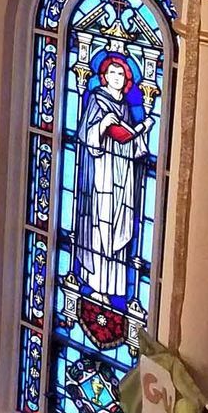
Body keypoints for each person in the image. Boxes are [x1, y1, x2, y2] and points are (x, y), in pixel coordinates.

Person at [76, 53, 151, 302]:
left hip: (122, 172)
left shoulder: (126, 107)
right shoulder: (97, 100)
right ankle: (96, 284)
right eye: (112, 73)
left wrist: (141, 131)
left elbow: (131, 143)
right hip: (101, 171)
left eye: (121, 74)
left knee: (119, 223)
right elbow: (85, 136)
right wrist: (101, 125)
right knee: (101, 220)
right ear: (104, 76)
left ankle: (112, 287)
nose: (117, 78)